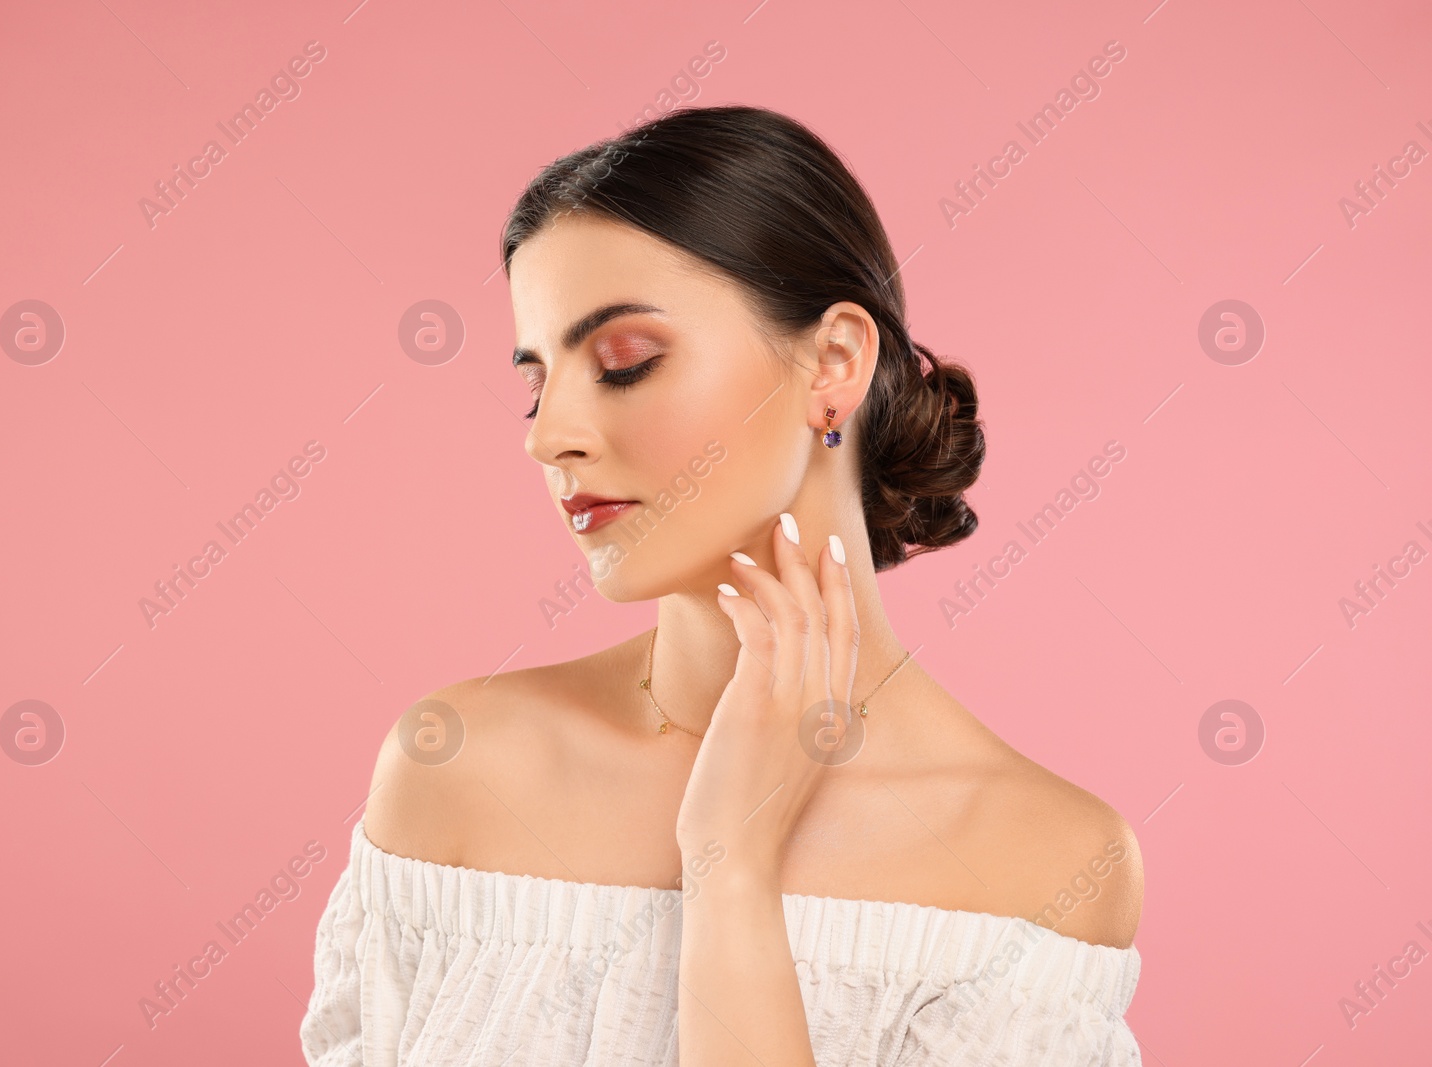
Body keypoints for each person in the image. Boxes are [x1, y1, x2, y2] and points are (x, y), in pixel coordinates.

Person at [301, 104, 1144, 1066]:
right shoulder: (454, 768)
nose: (547, 436)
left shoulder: (1042, 863)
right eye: (538, 380)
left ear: (833, 364)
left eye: (624, 364)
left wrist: (731, 868)